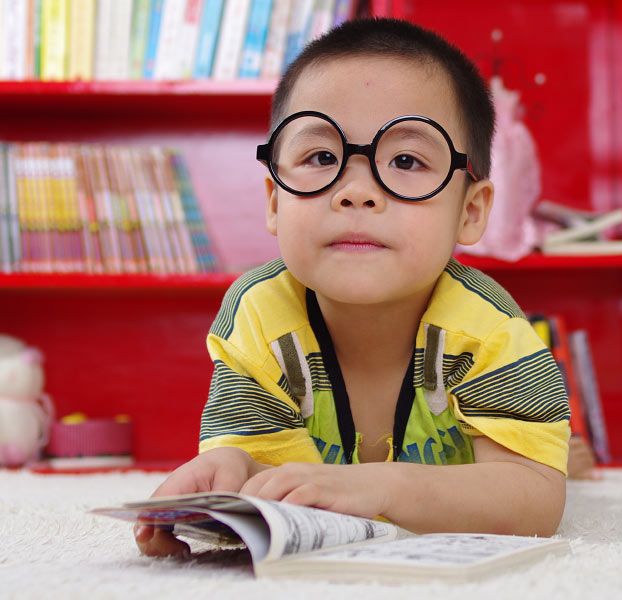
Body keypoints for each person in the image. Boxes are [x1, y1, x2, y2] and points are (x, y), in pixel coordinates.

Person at [135, 17, 574, 558]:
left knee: (562, 460)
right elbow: (272, 472)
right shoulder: (257, 314)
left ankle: (571, 448)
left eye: (407, 160)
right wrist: (235, 471)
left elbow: (536, 499)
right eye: (322, 158)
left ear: (471, 210)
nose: (358, 192)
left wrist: (380, 486)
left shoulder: (489, 329)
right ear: (274, 201)